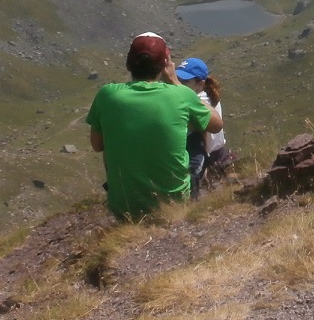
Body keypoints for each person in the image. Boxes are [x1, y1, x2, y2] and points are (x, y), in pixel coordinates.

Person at [86, 32, 221, 220]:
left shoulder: (107, 95)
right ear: (164, 65)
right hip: (173, 203)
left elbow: (97, 145)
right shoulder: (181, 95)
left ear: (128, 64)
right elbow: (216, 124)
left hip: (123, 206)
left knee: (113, 142)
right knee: (196, 132)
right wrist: (175, 82)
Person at [175, 56, 233, 197]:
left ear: (200, 84)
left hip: (209, 158)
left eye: (185, 81)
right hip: (216, 153)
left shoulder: (200, 100)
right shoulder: (206, 95)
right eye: (178, 79)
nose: (180, 84)